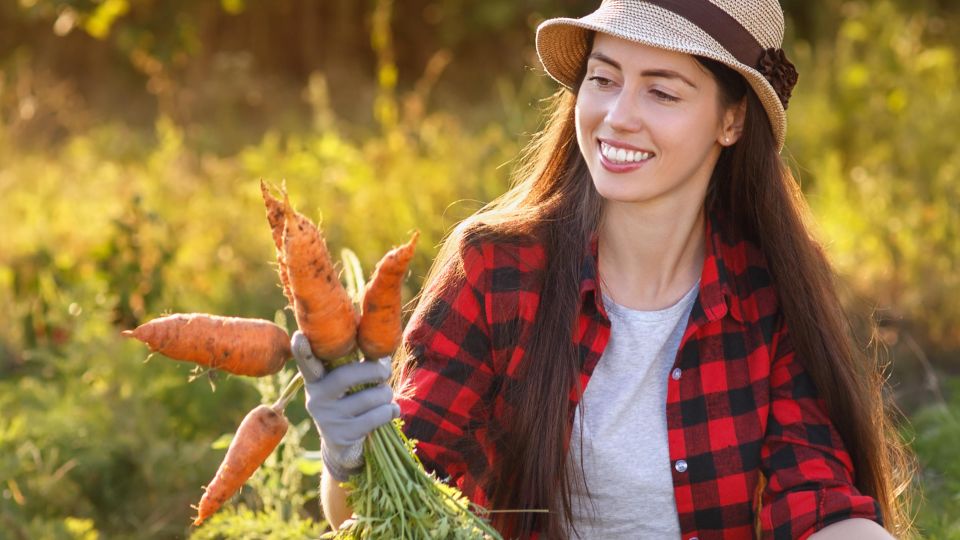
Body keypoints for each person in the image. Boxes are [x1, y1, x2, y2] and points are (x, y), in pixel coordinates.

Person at [292, 0, 913, 538]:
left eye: (662, 91)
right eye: (604, 78)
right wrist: (350, 456)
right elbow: (386, 514)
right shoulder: (495, 268)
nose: (617, 115)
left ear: (732, 120)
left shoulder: (768, 292)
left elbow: (818, 506)